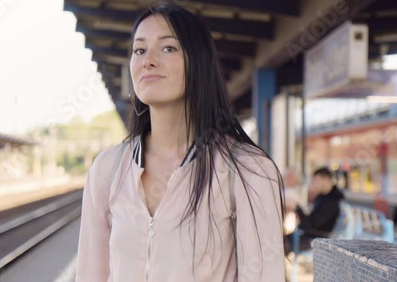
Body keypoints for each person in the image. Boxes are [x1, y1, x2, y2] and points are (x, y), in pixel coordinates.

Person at [75, 3, 286, 282]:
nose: (148, 60)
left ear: (198, 62)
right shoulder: (108, 169)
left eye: (168, 48)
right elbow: (90, 275)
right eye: (139, 50)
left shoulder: (248, 171)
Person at [285, 167, 344, 254]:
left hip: (317, 240)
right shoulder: (322, 197)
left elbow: (310, 225)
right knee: (279, 241)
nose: (313, 184)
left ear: (326, 180)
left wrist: (296, 207)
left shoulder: (333, 201)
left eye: (316, 181)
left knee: (279, 244)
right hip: (310, 235)